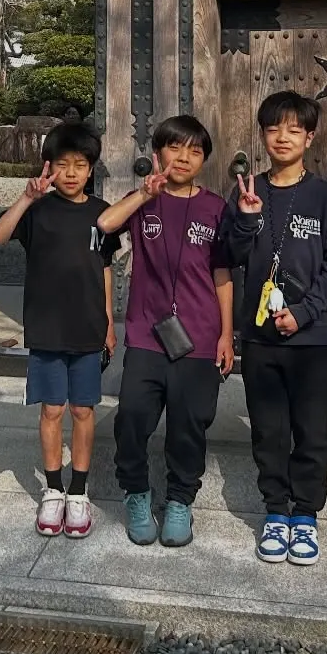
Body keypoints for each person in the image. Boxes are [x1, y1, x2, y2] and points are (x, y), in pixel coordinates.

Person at [97, 115, 240, 549]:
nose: (183, 157)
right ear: (158, 153)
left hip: (199, 335)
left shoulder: (216, 208)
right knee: (132, 419)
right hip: (146, 333)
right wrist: (143, 193)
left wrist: (226, 334)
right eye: (175, 148)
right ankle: (137, 494)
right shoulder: (144, 201)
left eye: (194, 151)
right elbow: (105, 225)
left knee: (189, 423)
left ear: (203, 160)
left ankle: (180, 500)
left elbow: (223, 273)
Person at [229, 90, 327, 568]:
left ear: (310, 136)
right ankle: (275, 511)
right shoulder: (246, 191)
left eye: (294, 129)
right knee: (268, 428)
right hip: (259, 337)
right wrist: (245, 220)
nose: (283, 137)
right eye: (274, 128)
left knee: (311, 428)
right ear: (262, 134)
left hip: (313, 337)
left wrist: (304, 312)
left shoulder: (324, 196)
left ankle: (306, 515)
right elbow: (230, 258)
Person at [0, 120, 114, 539]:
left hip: (89, 326)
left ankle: (79, 492)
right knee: (51, 410)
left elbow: (107, 270)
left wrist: (111, 324)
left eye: (81, 164)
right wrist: (25, 198)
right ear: (49, 167)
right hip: (46, 328)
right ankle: (54, 489)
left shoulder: (102, 214)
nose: (73, 172)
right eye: (64, 164)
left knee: (82, 410)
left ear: (92, 168)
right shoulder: (37, 211)